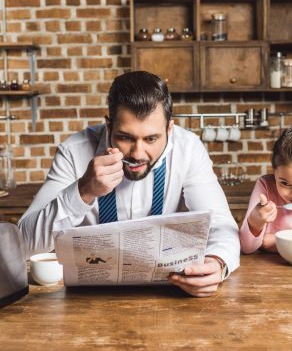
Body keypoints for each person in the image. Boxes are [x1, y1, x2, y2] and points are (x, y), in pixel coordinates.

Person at [18, 71, 240, 297]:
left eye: (151, 139)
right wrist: (82, 192)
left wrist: (217, 263)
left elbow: (222, 226)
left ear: (169, 130)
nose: (137, 153)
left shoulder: (189, 149)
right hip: (86, 301)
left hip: (171, 297)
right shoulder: (74, 151)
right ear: (108, 125)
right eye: (125, 137)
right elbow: (23, 244)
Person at [240, 122, 292, 254]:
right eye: (285, 183)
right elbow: (247, 248)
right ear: (274, 172)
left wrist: (273, 241)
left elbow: (266, 243)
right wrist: (255, 220)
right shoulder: (265, 186)